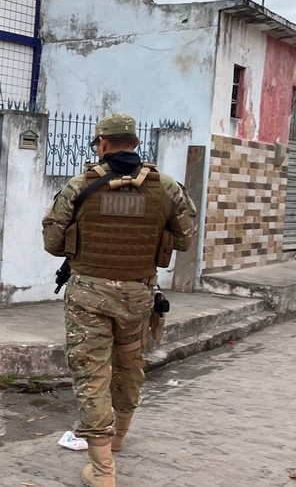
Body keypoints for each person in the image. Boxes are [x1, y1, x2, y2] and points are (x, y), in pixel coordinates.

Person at [41, 113, 197, 487]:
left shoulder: (80, 185)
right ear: (137, 143)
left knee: (92, 376)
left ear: (103, 143)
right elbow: (186, 239)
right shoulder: (168, 188)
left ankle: (102, 470)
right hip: (138, 294)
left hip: (88, 297)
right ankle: (120, 437)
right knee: (129, 368)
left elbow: (52, 242)